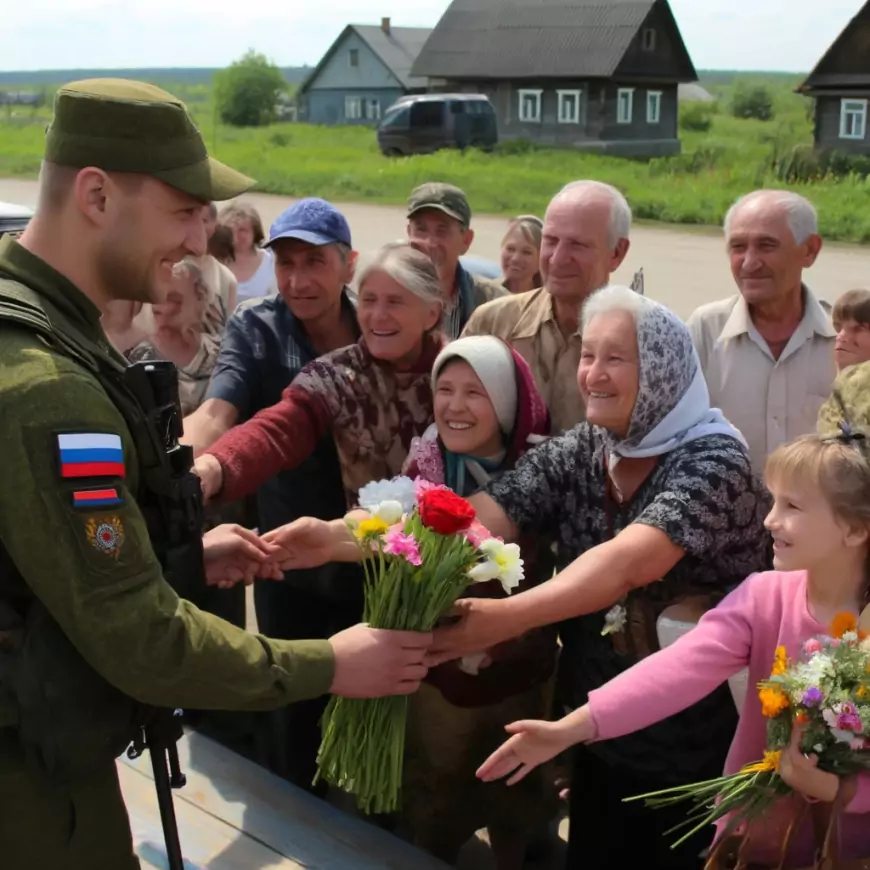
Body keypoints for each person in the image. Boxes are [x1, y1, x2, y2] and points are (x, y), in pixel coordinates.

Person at [0, 78, 432, 870]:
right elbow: (143, 641)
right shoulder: (46, 387)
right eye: (183, 211)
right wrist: (334, 662)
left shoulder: (40, 331)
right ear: (95, 195)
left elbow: (40, 563)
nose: (201, 241)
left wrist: (177, 559)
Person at [271, 286, 772, 870]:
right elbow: (475, 517)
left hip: (698, 751)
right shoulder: (590, 448)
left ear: (663, 370)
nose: (593, 374)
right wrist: (337, 539)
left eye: (616, 358)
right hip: (597, 728)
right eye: (588, 355)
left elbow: (628, 563)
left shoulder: (714, 463)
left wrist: (503, 618)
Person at [479, 432, 870, 868]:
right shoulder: (765, 597)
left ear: (854, 529)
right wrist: (570, 728)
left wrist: (839, 792)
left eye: (793, 507)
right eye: (774, 502)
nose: (769, 521)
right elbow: (678, 670)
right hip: (759, 846)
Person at [182, 197, 363, 792]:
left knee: (374, 710)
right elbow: (219, 410)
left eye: (314, 262)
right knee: (296, 706)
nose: (297, 280)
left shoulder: (381, 321)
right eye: (284, 263)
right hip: (287, 553)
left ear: (348, 265)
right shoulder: (257, 327)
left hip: (375, 549)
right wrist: (188, 468)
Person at [395, 336, 557, 869]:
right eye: (444, 390)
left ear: (507, 405)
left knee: (517, 797)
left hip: (521, 676)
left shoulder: (543, 470)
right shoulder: (423, 469)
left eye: (474, 392)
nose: (454, 406)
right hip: (441, 680)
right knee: (435, 792)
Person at [194, 241, 444, 507]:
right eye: (369, 300)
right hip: (362, 541)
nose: (378, 315)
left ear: (431, 314)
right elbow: (277, 431)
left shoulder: (461, 372)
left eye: (395, 302)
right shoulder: (336, 376)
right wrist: (214, 467)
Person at [462, 181, 632, 434]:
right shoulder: (493, 324)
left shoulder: (640, 339)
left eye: (578, 245)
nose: (558, 258)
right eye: (550, 241)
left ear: (617, 253)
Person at [687, 190, 836, 472]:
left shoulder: (847, 339)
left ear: (810, 250)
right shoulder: (705, 330)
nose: (749, 263)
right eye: (738, 247)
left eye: (767, 246)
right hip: (722, 513)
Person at [406, 182, 506, 339]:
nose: (430, 243)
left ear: (466, 240)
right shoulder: (385, 297)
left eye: (442, 231)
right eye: (421, 229)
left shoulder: (497, 305)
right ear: (408, 232)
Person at [127, 258, 220, 415]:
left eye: (175, 301)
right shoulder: (139, 360)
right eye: (157, 298)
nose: (162, 308)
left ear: (201, 298)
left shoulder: (221, 353)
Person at [219, 200, 277, 306]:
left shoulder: (271, 262)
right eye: (230, 230)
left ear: (254, 231)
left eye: (242, 230)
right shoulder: (216, 262)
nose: (236, 236)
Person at [198, 202, 237, 335]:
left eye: (204, 221)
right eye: (191, 217)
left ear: (214, 224)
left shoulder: (226, 278)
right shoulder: (164, 264)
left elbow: (227, 328)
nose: (198, 226)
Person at [500, 214, 542, 295]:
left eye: (526, 252)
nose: (515, 259)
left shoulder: (552, 300)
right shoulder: (483, 295)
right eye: (510, 249)